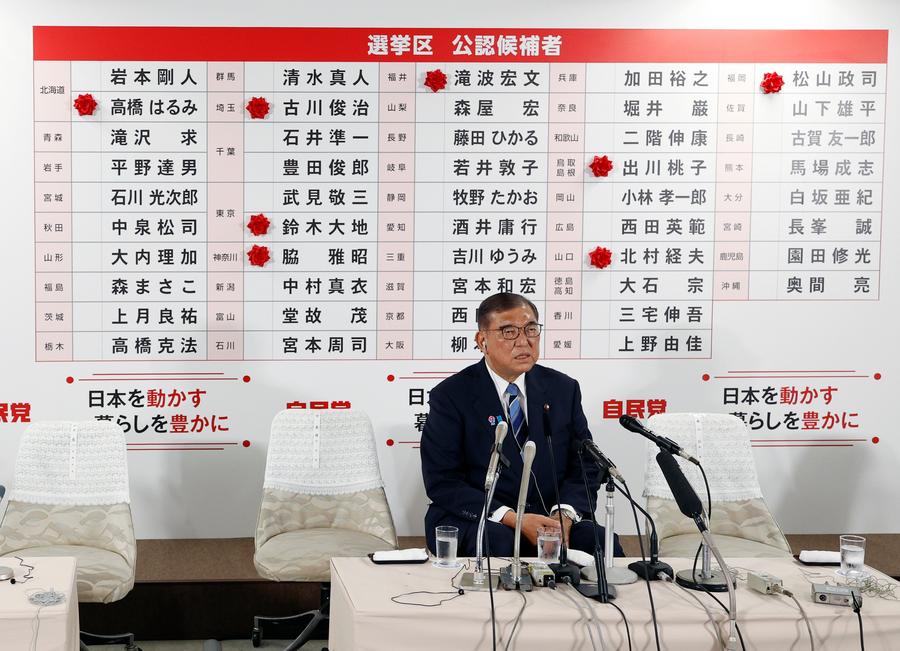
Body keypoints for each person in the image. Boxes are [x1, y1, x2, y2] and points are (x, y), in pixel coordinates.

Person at [420, 292, 623, 559]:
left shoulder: (563, 389)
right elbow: (443, 482)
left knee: (601, 542)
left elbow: (584, 464)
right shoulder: (451, 396)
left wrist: (564, 514)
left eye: (530, 329)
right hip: (484, 517)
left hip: (551, 515)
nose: (523, 341)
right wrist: (513, 518)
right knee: (500, 543)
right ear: (483, 341)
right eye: (508, 332)